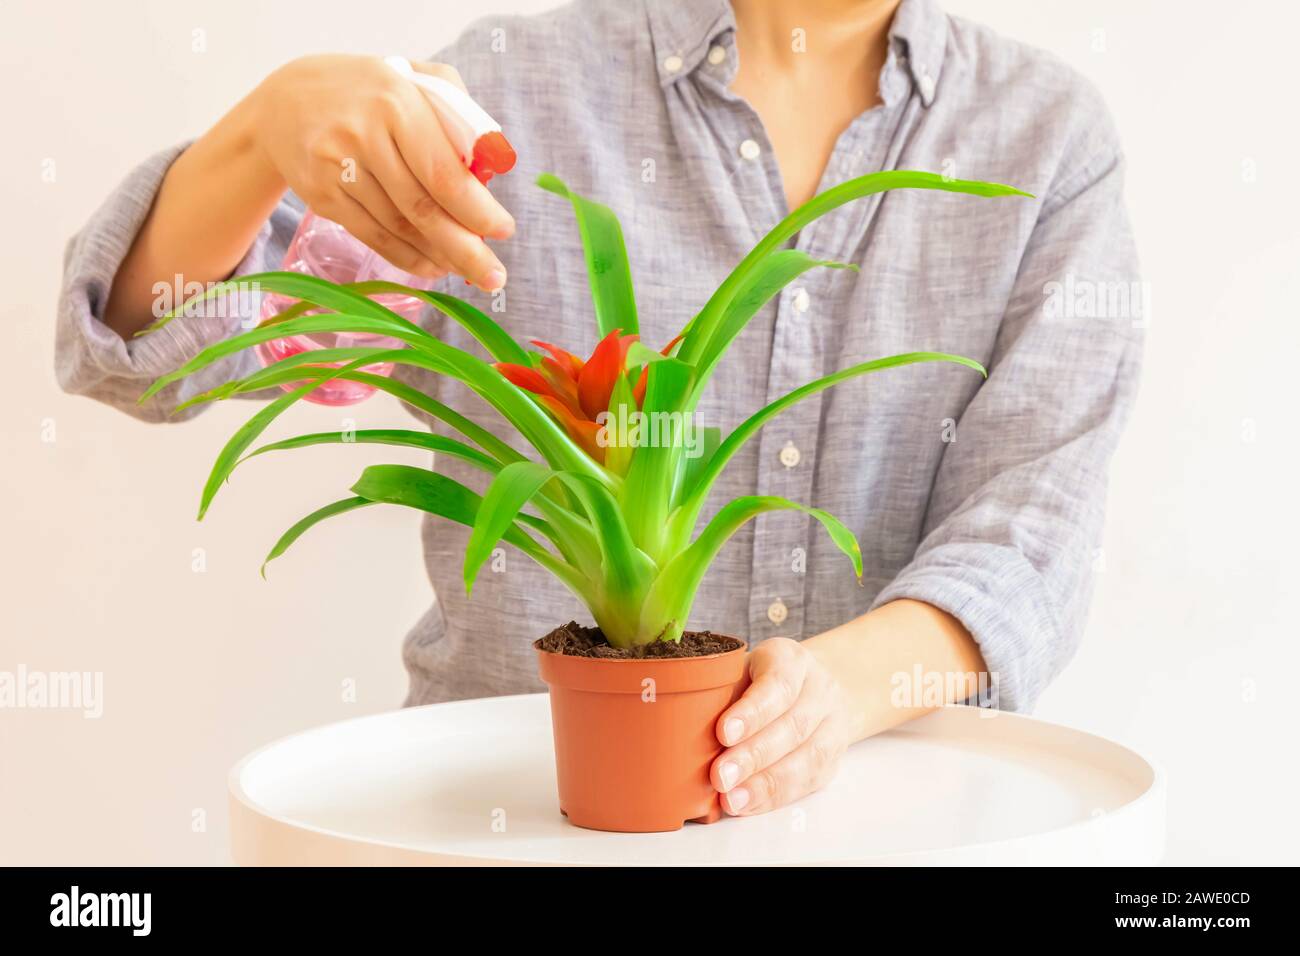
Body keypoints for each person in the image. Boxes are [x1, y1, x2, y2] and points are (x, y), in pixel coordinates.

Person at [55, 0, 1142, 818]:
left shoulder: (1043, 138)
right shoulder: (514, 89)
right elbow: (143, 359)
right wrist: (262, 129)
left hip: (871, 823)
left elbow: (1031, 530)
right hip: (499, 821)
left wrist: (832, 697)